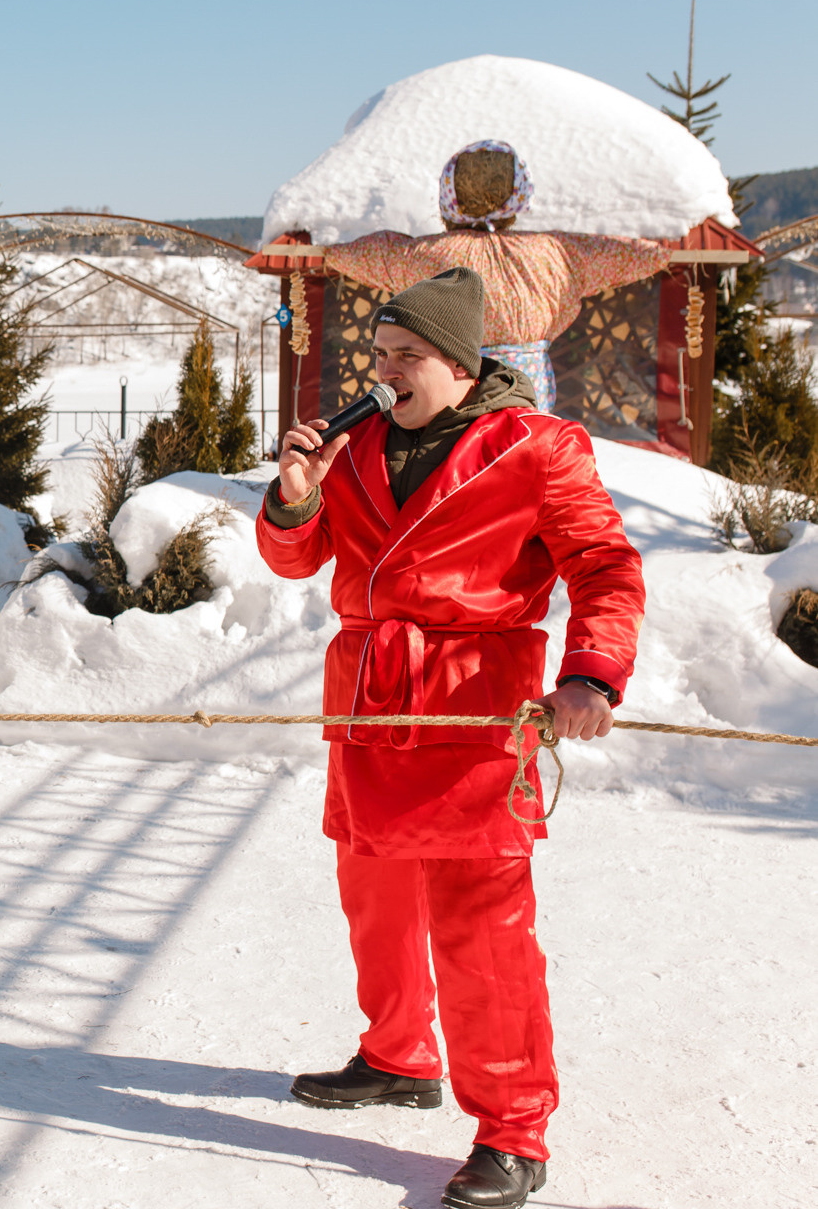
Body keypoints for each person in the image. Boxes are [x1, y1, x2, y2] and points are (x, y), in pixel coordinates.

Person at [256, 268, 646, 1209]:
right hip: (369, 705)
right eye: (379, 356)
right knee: (375, 898)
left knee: (483, 927)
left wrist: (591, 674)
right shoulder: (351, 449)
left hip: (475, 708)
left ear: (463, 368)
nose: (386, 373)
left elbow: (603, 564)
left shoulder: (537, 447)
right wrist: (296, 494)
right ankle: (398, 1056)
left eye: (407, 358)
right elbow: (295, 559)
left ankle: (513, 1127)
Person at [315, 141, 672, 411]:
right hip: (523, 399)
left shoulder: (422, 255)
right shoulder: (554, 253)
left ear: (449, 195)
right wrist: (666, 246)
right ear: (519, 195)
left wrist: (324, 246)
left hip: (451, 392)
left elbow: (356, 252)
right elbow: (631, 254)